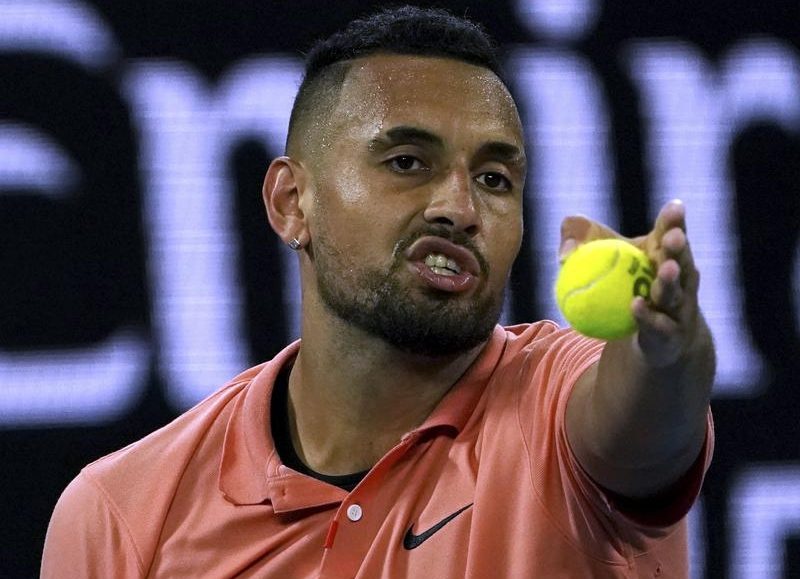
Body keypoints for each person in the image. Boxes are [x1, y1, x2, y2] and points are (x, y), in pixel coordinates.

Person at [41, 6, 715, 577]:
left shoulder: (555, 404)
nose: (460, 208)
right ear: (290, 202)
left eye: (494, 179)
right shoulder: (121, 517)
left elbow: (641, 426)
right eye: (407, 162)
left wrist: (666, 352)